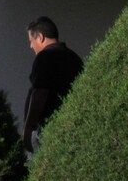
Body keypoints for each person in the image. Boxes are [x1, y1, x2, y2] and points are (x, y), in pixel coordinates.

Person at [22, 16, 84, 156]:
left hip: (48, 129)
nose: (31, 46)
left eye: (31, 41)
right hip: (71, 126)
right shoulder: (74, 57)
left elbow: (40, 92)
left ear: (41, 37)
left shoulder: (45, 57)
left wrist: (28, 127)